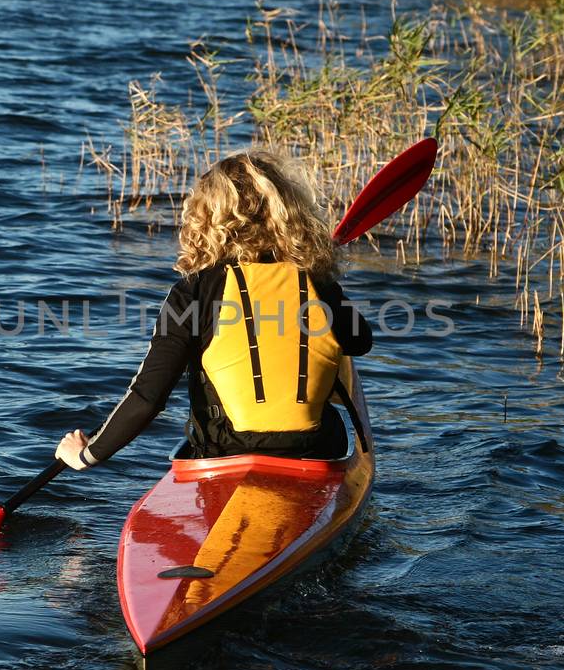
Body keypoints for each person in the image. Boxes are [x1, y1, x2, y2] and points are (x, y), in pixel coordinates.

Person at [55, 151, 372, 471]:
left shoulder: (193, 291)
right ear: (289, 211)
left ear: (206, 216)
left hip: (225, 454)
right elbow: (360, 341)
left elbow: (147, 399)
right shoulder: (316, 280)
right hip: (315, 448)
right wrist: (323, 278)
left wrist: (86, 455)